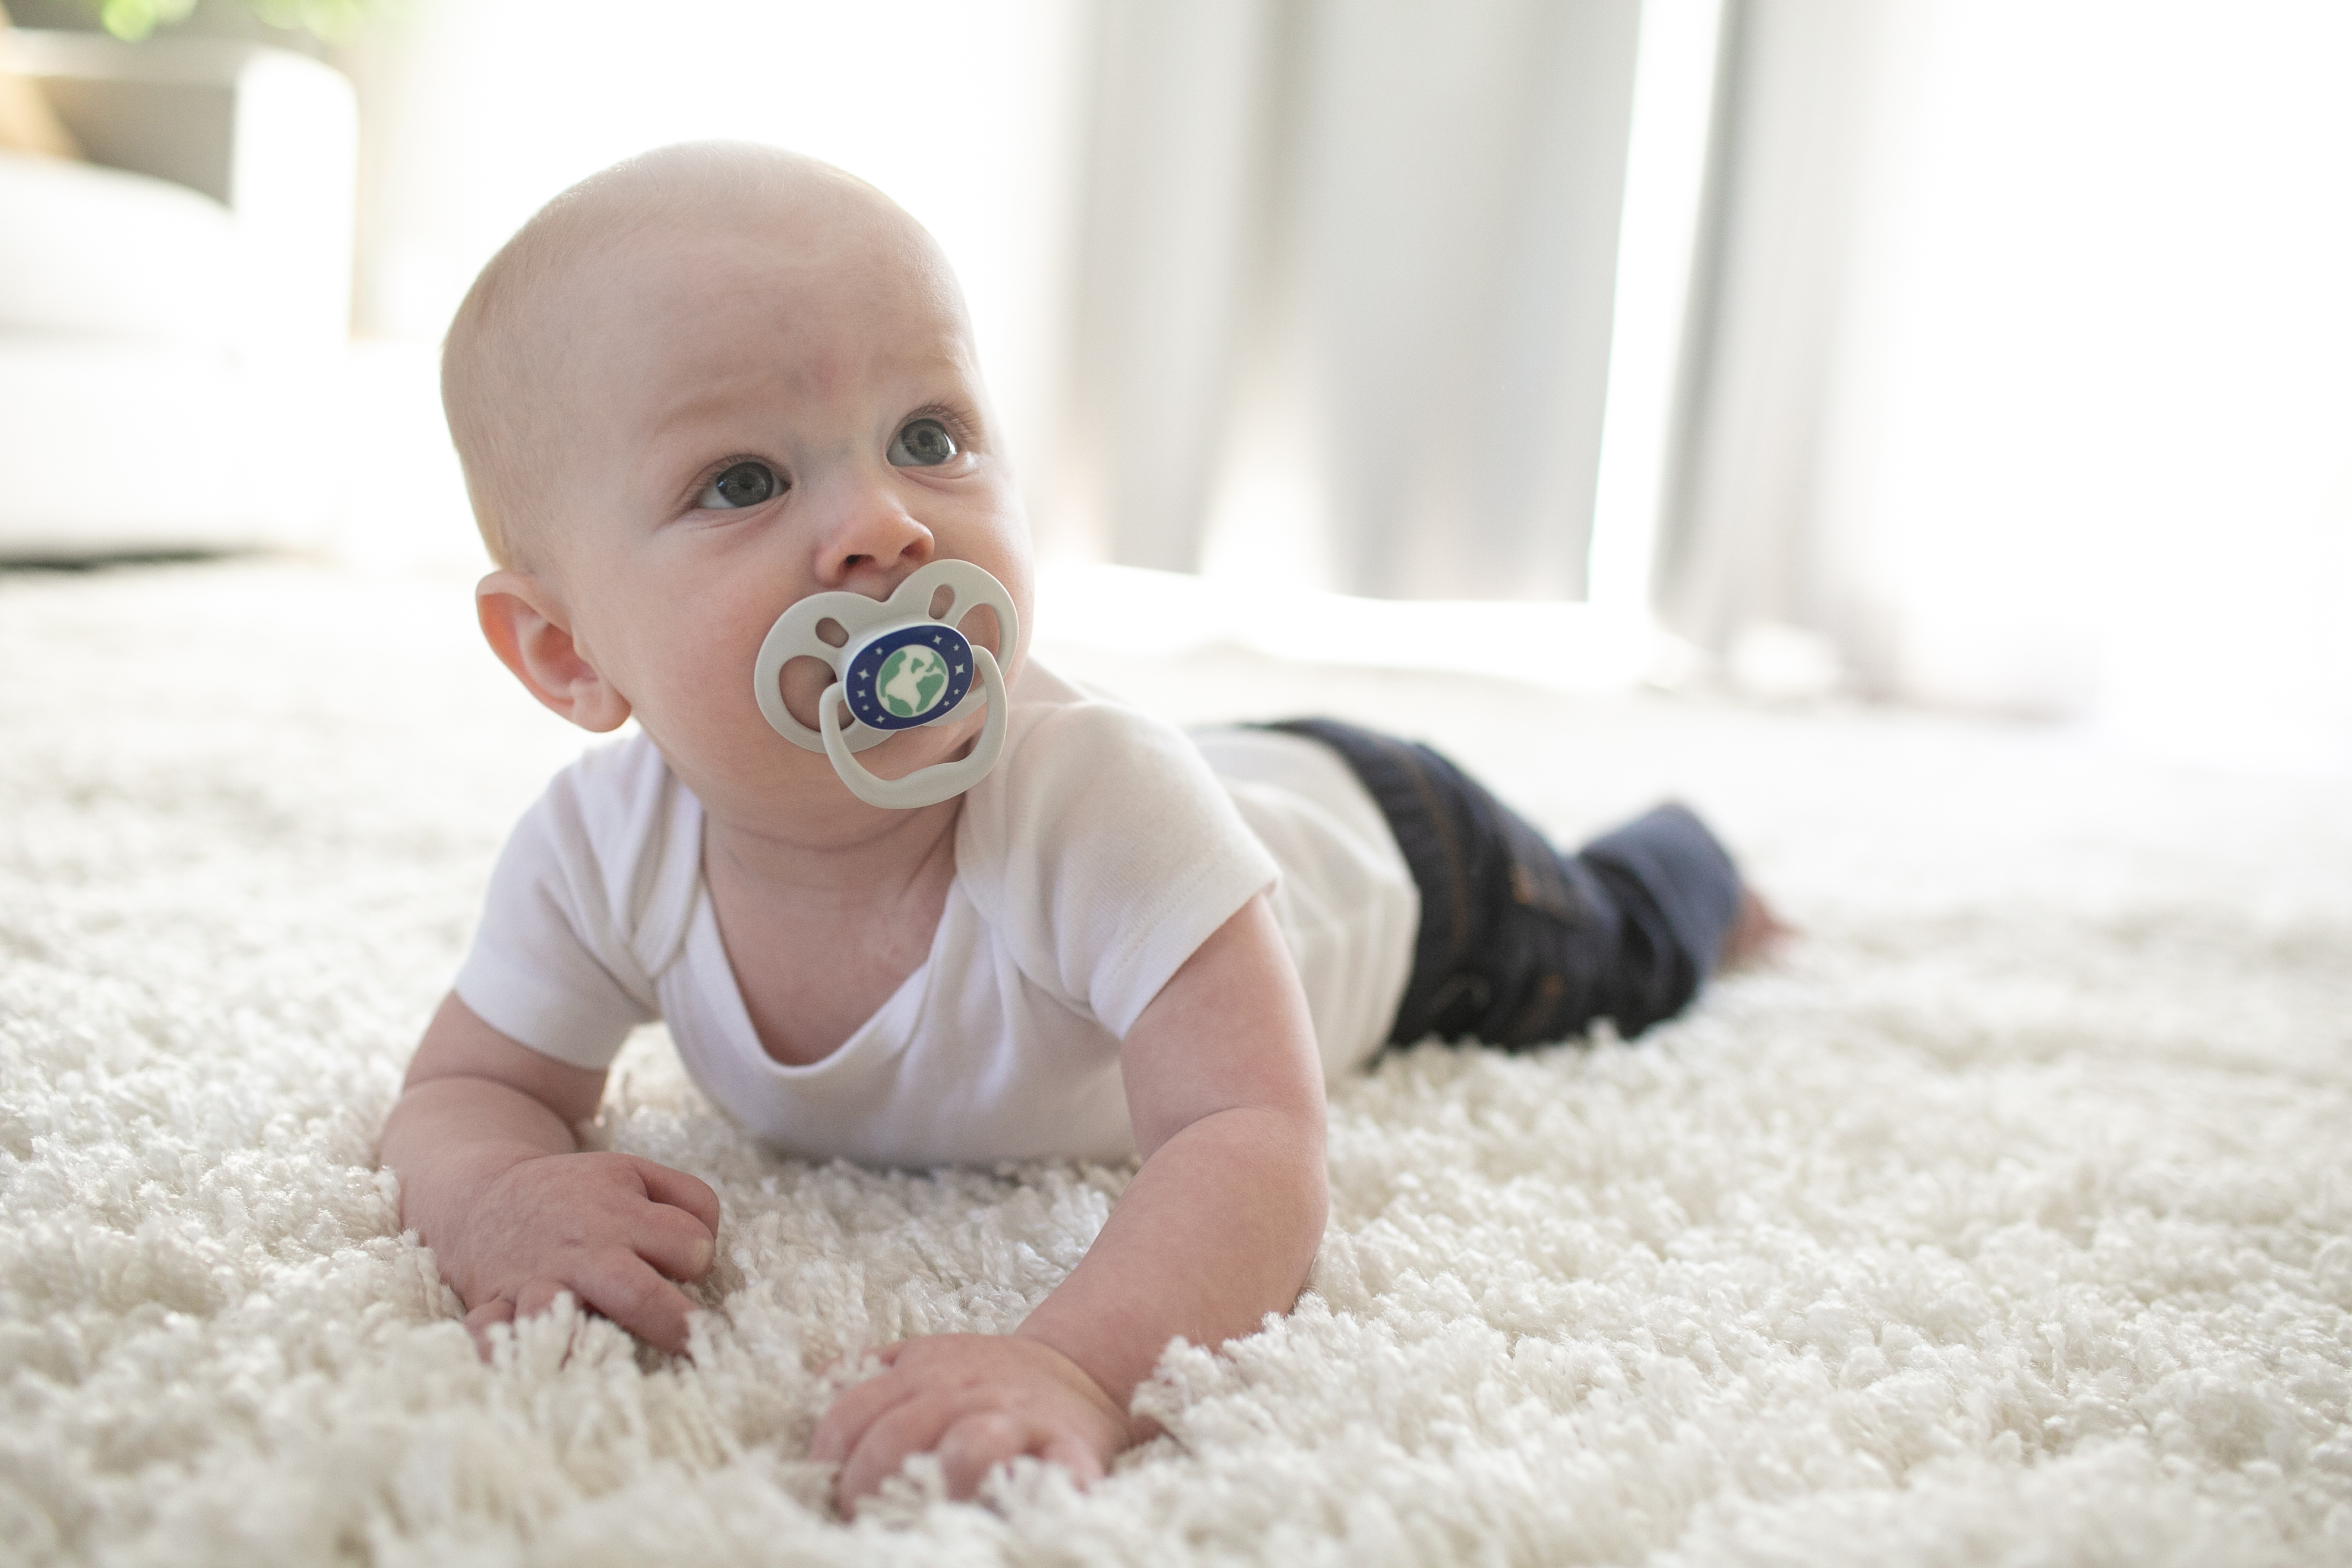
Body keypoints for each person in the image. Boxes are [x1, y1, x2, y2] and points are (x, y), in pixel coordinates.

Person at [377, 141, 1780, 1516]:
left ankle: (1697, 863)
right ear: (566, 651)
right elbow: (462, 1092)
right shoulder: (598, 853)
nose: (884, 523)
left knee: (1625, 947)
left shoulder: (1096, 808)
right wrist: (496, 1200)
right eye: (743, 480)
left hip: (1412, 869)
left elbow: (1248, 1132)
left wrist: (1078, 1366)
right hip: (1217, 791)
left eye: (928, 438)